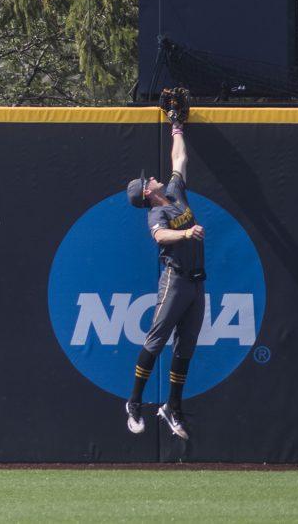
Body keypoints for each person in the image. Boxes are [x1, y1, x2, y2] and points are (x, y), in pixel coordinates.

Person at [123, 89, 205, 440]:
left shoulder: (174, 191)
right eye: (148, 180)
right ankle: (135, 402)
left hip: (197, 283)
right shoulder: (157, 210)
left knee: (186, 346)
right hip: (175, 279)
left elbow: (179, 160)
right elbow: (159, 237)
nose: (152, 177)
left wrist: (176, 127)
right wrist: (185, 235)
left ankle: (172, 407)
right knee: (156, 341)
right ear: (146, 192)